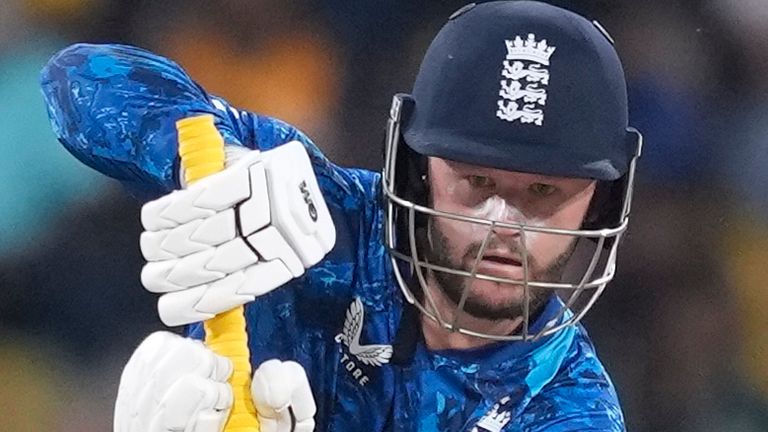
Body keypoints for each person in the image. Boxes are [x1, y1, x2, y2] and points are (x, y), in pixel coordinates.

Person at [40, 1, 642, 431]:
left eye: (543, 192)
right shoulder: (320, 213)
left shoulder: (566, 408)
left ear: (601, 201)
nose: (501, 224)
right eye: (477, 180)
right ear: (416, 167)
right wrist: (213, 161)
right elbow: (75, 79)